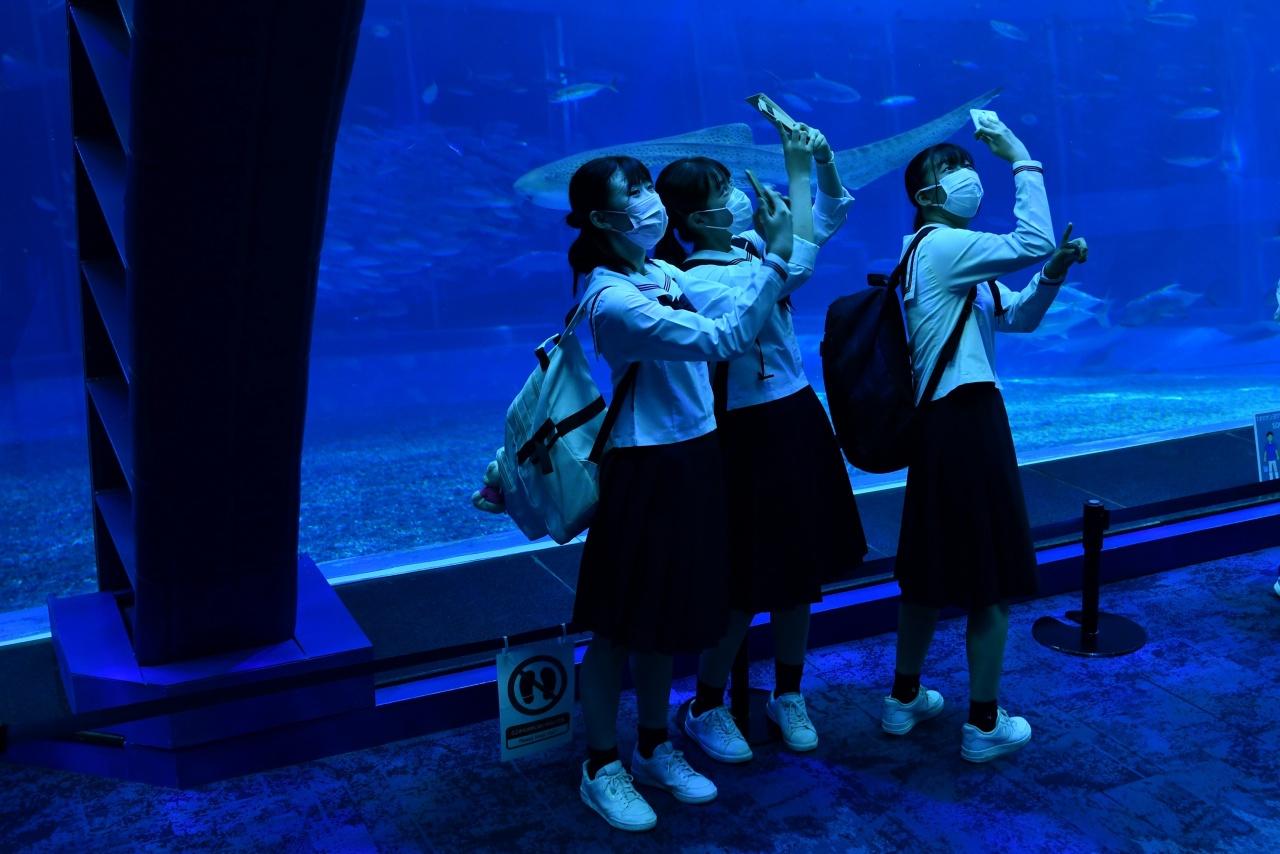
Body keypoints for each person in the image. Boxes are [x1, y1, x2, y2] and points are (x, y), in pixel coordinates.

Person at [530, 155, 794, 832]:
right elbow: (725, 336)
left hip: (696, 456)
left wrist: (775, 239)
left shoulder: (663, 273)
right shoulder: (612, 299)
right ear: (601, 217)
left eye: (650, 185)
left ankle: (652, 747)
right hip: (644, 468)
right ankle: (600, 765)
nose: (651, 199)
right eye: (635, 191)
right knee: (620, 627)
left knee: (665, 621)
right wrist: (775, 260)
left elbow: (732, 305)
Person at [651, 123, 866, 762]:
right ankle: (706, 703)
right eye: (722, 190)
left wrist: (820, 163)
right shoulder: (693, 281)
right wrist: (792, 175)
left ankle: (788, 692)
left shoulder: (751, 245)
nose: (737, 196)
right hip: (742, 433)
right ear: (696, 217)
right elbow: (789, 271)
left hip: (796, 413)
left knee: (800, 570)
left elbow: (825, 219)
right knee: (744, 581)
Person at [881, 115, 1088, 764]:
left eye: (967, 165)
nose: (967, 176)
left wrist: (1053, 272)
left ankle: (903, 698)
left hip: (941, 428)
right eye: (950, 170)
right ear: (924, 195)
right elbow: (1031, 237)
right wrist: (1020, 156)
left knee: (927, 569)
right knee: (988, 577)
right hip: (969, 421)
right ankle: (983, 722)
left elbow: (1018, 317)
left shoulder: (938, 257)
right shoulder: (944, 247)